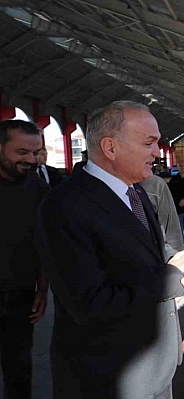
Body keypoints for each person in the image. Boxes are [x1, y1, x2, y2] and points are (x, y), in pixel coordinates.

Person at [35, 101, 184, 399]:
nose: (158, 153)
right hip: (111, 377)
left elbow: (141, 252)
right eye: (149, 143)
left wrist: (176, 258)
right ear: (110, 148)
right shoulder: (64, 207)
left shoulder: (135, 192)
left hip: (156, 369)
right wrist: (174, 277)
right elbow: (89, 303)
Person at [0, 120, 49, 399]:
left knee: (18, 369)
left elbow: (43, 242)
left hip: (20, 297)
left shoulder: (38, 188)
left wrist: (42, 288)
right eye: (22, 153)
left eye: (35, 153)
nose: (30, 160)